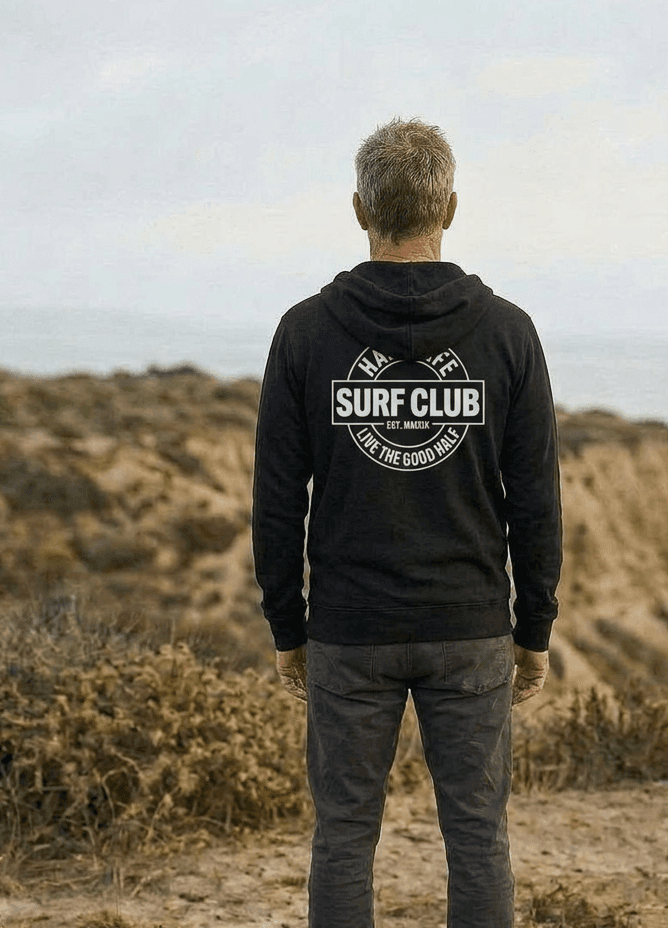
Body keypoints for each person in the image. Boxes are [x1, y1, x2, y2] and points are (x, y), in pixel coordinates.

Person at [252, 117, 562, 928]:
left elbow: (277, 501)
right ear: (450, 208)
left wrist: (290, 628)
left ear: (359, 209)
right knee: (477, 835)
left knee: (344, 836)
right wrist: (534, 630)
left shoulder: (305, 333)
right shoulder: (507, 334)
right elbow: (536, 499)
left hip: (350, 633)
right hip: (469, 628)